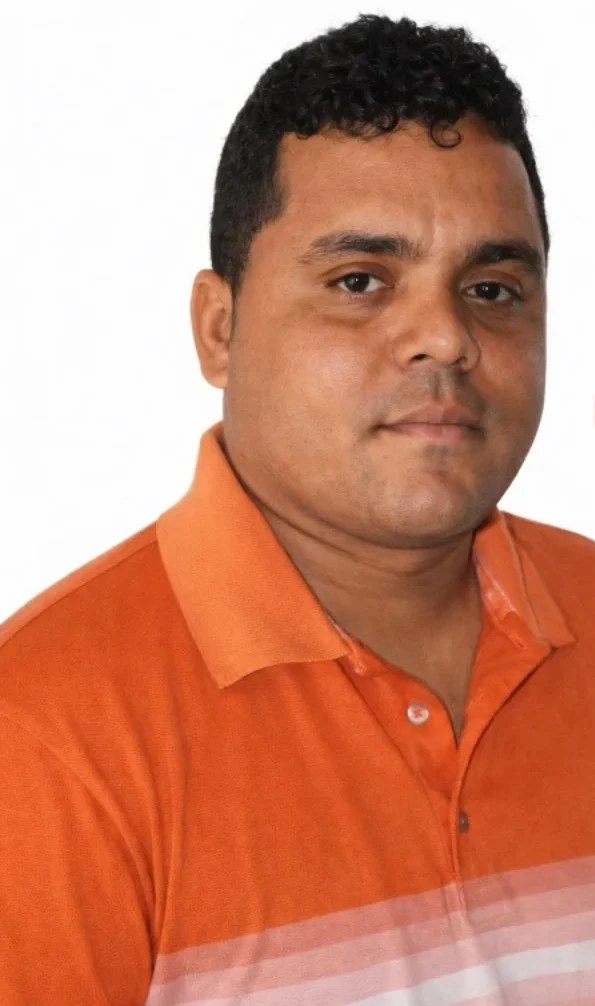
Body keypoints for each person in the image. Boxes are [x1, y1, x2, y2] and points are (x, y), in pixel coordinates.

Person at [1, 12, 594, 1005]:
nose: (444, 337)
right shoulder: (41, 738)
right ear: (219, 329)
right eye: (359, 281)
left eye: (492, 289)